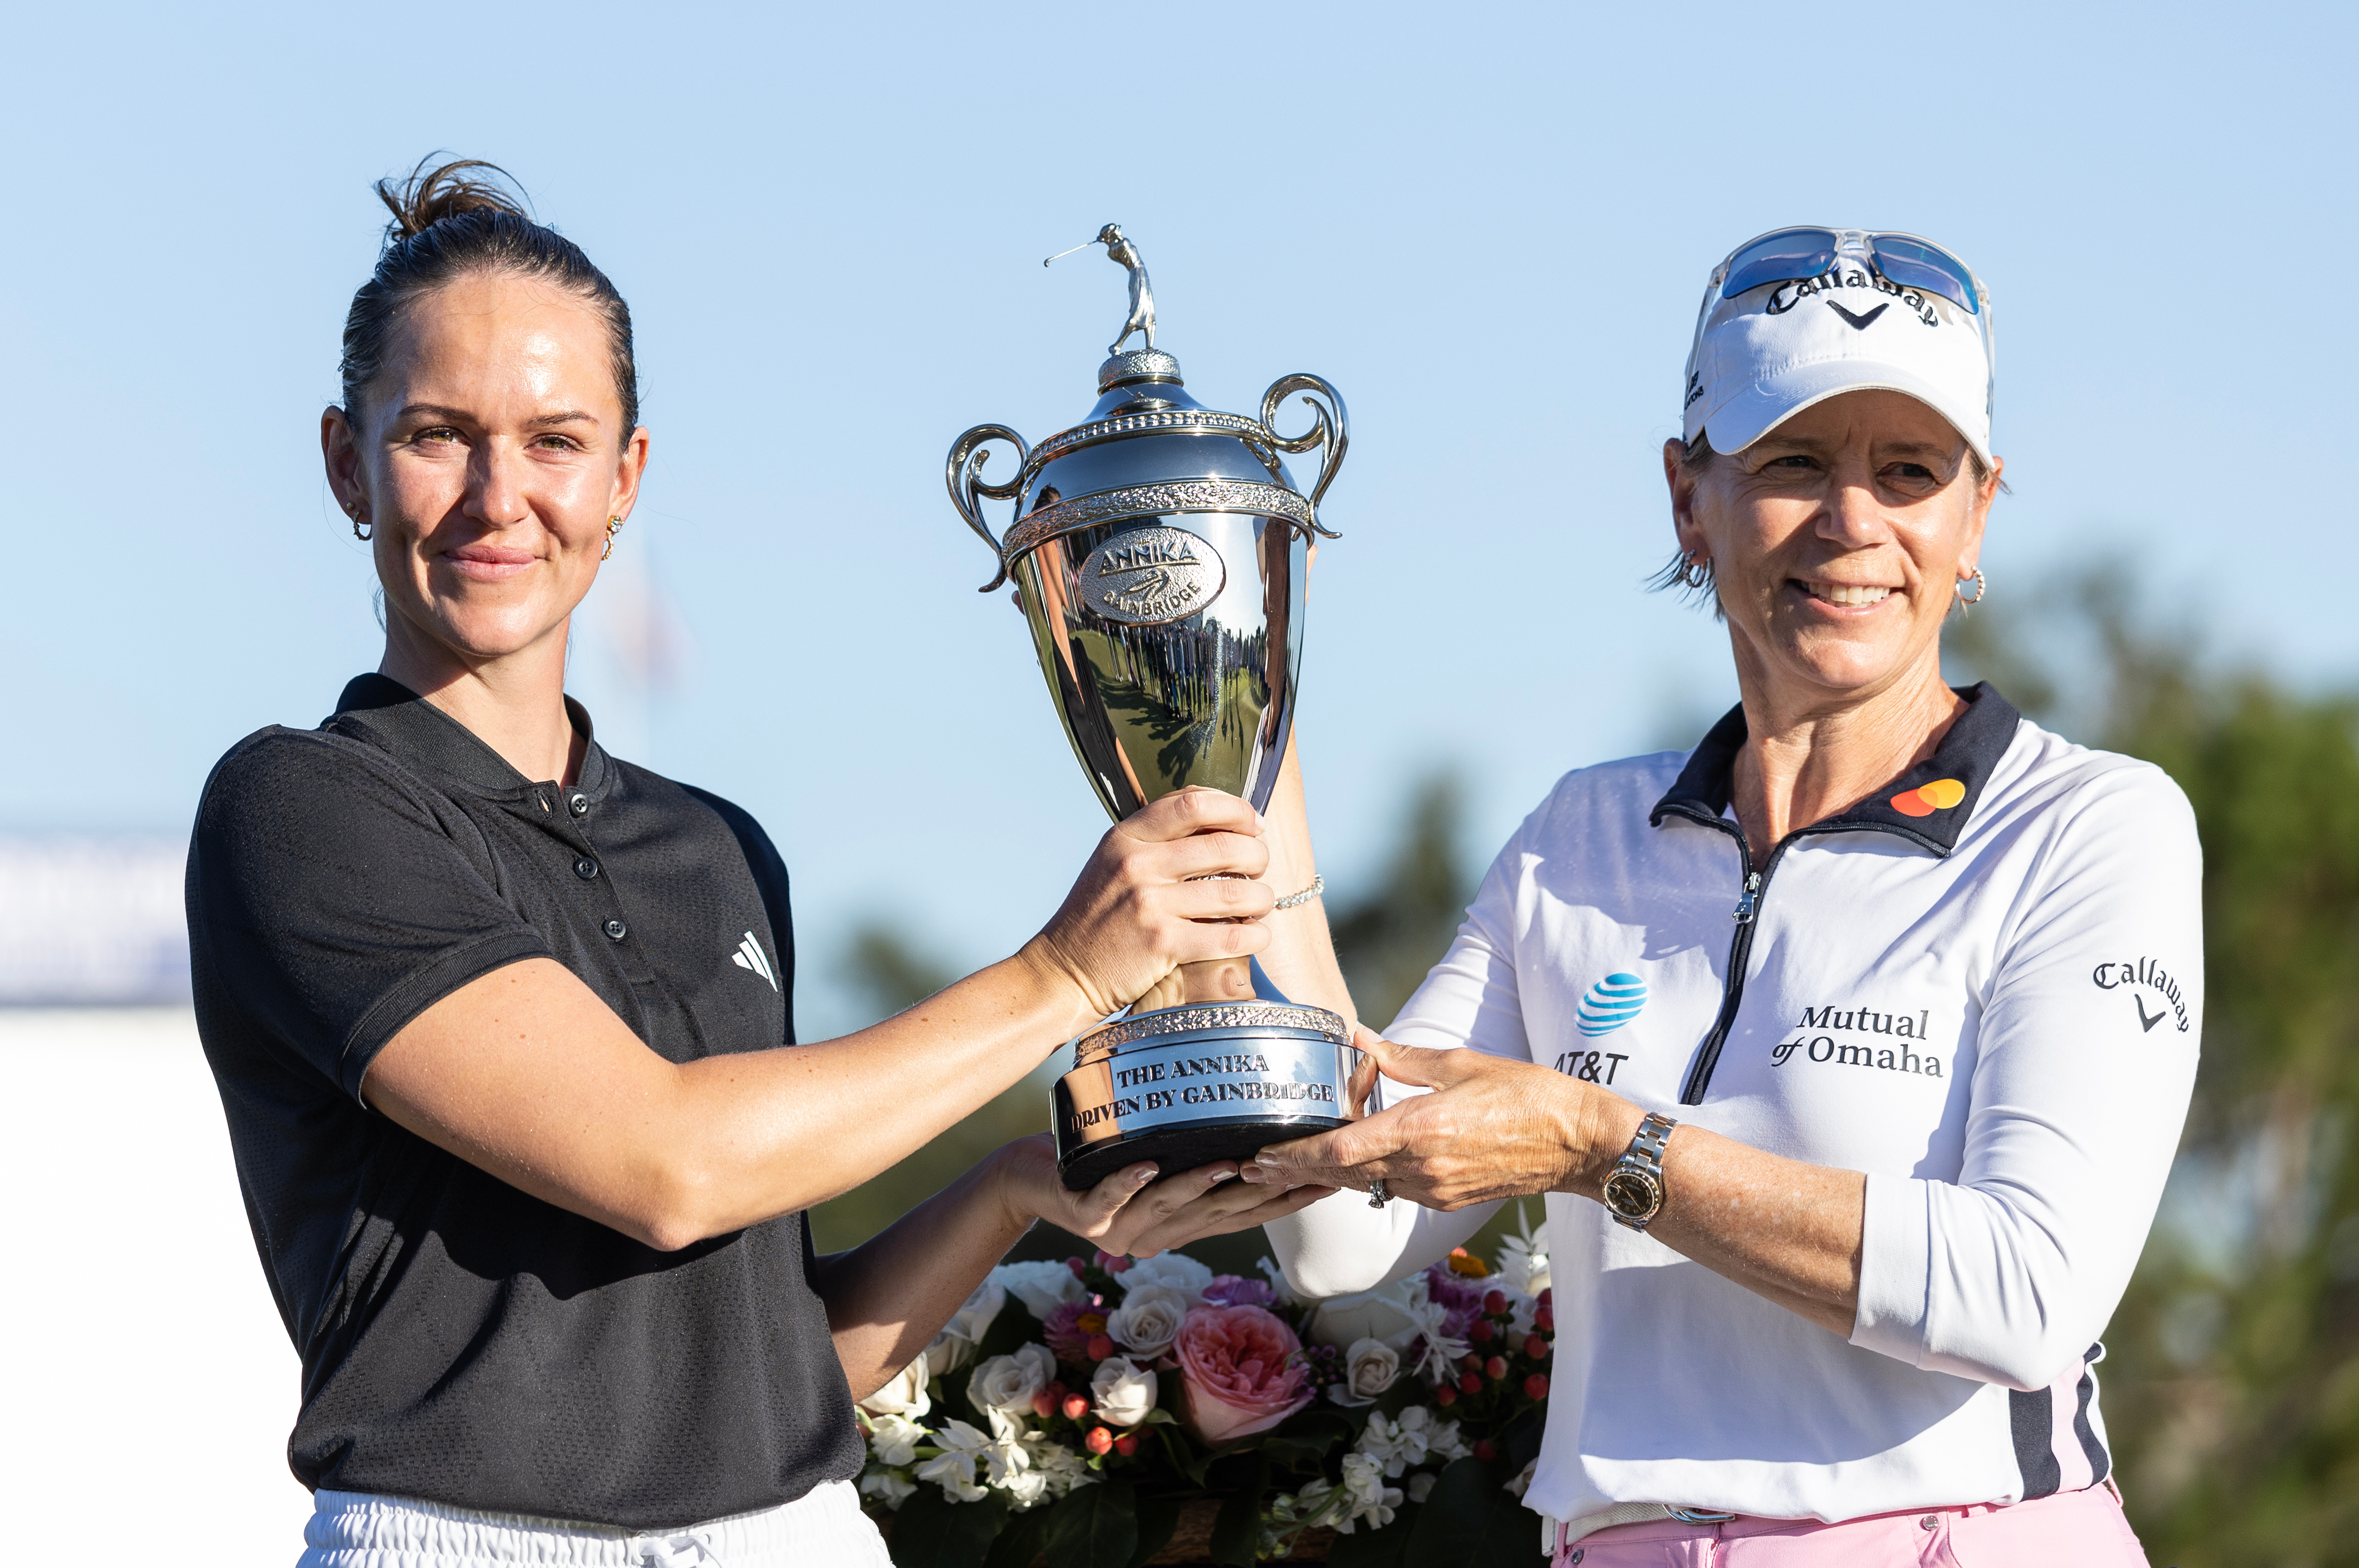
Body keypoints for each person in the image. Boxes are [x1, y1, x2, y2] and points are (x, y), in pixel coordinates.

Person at [186, 158, 1329, 1567]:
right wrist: (1062, 975)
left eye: (554, 440)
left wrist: (1010, 1188)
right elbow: (663, 1161)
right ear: (345, 462)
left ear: (627, 479)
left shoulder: (721, 848)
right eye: (436, 433)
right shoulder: (300, 807)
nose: (499, 495)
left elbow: (768, 1362)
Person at [1242, 227, 2199, 1564]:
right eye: (1794, 461)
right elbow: (1340, 1238)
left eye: (1910, 471)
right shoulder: (1581, 833)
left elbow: (2026, 1295)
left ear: (1977, 516)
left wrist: (1605, 1147)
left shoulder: (2093, 825)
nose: (1853, 521)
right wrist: (1248, 753)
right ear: (1689, 498)